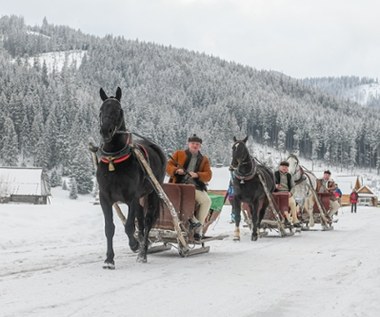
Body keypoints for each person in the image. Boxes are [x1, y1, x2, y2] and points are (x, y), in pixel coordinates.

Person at [166, 134, 212, 239]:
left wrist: (197, 175)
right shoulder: (179, 153)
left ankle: (198, 229)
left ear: (200, 146)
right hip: (177, 186)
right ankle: (193, 220)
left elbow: (208, 175)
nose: (195, 146)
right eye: (193, 143)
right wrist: (176, 170)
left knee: (207, 201)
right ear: (188, 144)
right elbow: (168, 166)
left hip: (194, 187)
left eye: (197, 144)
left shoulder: (204, 159)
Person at [274, 161, 301, 227]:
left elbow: (293, 186)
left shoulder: (289, 176)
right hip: (276, 193)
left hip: (286, 194)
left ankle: (295, 220)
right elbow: (270, 184)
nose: (284, 168)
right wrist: (275, 186)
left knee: (292, 203)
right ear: (279, 167)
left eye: (286, 167)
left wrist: (291, 193)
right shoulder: (274, 174)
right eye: (283, 166)